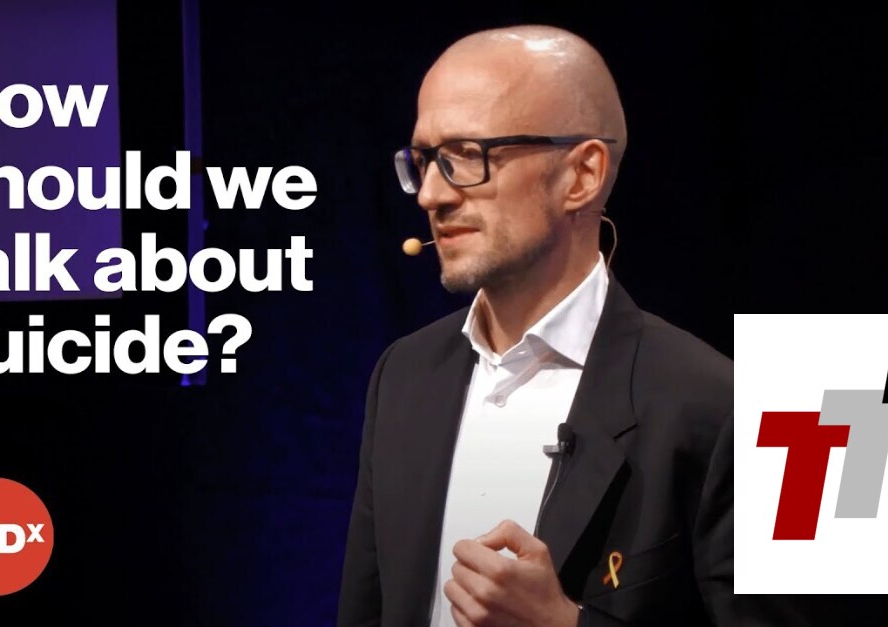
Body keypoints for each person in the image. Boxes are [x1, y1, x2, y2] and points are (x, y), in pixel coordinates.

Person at [338, 25, 805, 627]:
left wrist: (565, 623)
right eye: (425, 159)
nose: (430, 194)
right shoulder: (403, 374)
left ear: (582, 175)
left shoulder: (720, 407)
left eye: (467, 156)